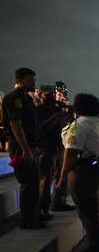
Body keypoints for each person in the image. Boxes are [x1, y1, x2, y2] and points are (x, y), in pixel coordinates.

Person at [57, 93, 99, 252]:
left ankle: (96, 250)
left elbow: (72, 151)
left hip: (85, 171)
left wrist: (63, 176)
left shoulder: (78, 125)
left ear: (78, 108)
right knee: (93, 210)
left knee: (88, 212)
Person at [2, 68, 48, 229]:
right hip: (22, 146)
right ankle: (27, 219)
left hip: (31, 145)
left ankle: (33, 215)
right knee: (28, 182)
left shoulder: (26, 98)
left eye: (34, 80)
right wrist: (26, 149)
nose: (34, 83)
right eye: (30, 80)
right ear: (19, 80)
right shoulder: (14, 98)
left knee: (34, 182)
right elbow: (15, 124)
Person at [36, 85, 63, 218]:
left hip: (60, 144)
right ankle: (44, 207)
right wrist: (55, 117)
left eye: (52, 94)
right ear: (40, 96)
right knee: (46, 178)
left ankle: (59, 202)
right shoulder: (38, 110)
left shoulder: (57, 108)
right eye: (47, 95)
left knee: (61, 175)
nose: (51, 97)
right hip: (47, 146)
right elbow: (40, 127)